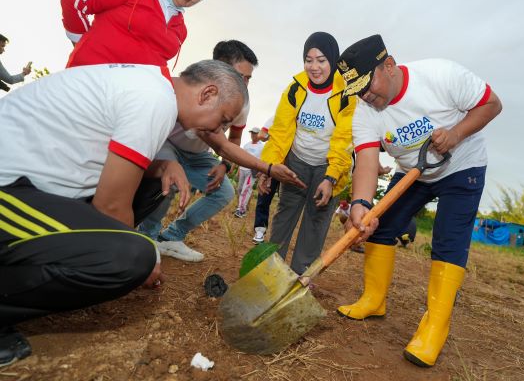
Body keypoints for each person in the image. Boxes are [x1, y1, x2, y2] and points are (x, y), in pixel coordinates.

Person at [0, 59, 248, 367]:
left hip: (30, 186)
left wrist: (165, 165)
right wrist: (148, 261)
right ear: (207, 93)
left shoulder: (152, 86)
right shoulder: (154, 100)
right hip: (7, 187)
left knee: (155, 182)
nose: (218, 131)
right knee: (132, 257)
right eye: (222, 120)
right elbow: (111, 206)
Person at [335, 35, 502, 368]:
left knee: (447, 243)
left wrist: (455, 134)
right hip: (414, 172)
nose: (366, 95)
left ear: (390, 65)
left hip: (462, 167)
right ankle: (373, 299)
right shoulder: (365, 111)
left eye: (368, 85)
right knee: (381, 227)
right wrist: (360, 205)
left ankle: (435, 328)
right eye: (357, 91)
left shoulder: (441, 75)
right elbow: (367, 161)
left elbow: (492, 104)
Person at [138, 41, 305, 261]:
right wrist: (268, 167)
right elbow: (221, 144)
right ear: (219, 69)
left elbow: (232, 140)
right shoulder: (187, 88)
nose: (244, 84)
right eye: (240, 76)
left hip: (197, 155)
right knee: (167, 180)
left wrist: (224, 165)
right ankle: (146, 239)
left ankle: (171, 236)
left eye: (248, 79)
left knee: (224, 192)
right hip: (166, 144)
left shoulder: (240, 104)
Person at [259, 31, 357, 275]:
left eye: (321, 60)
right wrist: (269, 167)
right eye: (309, 59)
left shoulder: (347, 94)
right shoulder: (295, 89)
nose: (314, 67)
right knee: (285, 215)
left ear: (333, 61)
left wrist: (331, 176)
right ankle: (271, 272)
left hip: (328, 166)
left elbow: (344, 139)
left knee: (316, 221)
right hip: (297, 163)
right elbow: (280, 131)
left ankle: (299, 277)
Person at [61, 0, 217, 72]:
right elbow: (74, 0)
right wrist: (82, 43)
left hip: (125, 103)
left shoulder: (181, 29)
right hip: (87, 79)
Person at [251, 115, 279, 243]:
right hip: (273, 160)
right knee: (265, 194)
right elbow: (262, 135)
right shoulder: (277, 116)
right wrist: (276, 138)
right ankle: (260, 229)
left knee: (287, 201)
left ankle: (278, 235)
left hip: (293, 162)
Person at [234, 127, 264, 218]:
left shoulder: (262, 147)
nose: (253, 135)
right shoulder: (246, 145)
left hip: (252, 171)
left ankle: (241, 210)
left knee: (246, 189)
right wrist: (238, 169)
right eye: (252, 133)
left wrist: (261, 172)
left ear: (259, 134)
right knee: (239, 189)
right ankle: (242, 206)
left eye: (255, 133)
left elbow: (263, 160)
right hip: (242, 169)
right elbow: (241, 157)